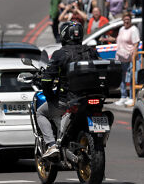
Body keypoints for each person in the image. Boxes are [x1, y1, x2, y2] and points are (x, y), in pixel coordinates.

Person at [37, 21, 101, 159]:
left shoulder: (60, 54)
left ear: (64, 35)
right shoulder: (91, 51)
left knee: (41, 113)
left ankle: (52, 145)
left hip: (68, 100)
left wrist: (50, 97)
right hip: (91, 98)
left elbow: (47, 80)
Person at [114, 11, 140, 106]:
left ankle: (132, 97)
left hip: (130, 57)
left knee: (132, 77)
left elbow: (136, 43)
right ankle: (123, 96)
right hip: (121, 57)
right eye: (125, 20)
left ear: (130, 20)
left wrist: (134, 55)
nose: (126, 21)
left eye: (128, 20)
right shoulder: (121, 29)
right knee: (122, 78)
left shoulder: (133, 29)